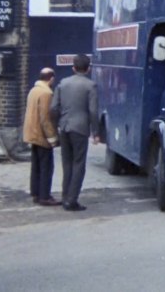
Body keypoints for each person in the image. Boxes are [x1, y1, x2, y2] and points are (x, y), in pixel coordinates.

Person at [50, 54, 100, 211]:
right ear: (89, 68)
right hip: (80, 128)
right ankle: (72, 200)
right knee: (79, 164)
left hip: (64, 127)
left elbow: (53, 108)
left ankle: (65, 196)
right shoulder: (90, 86)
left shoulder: (63, 83)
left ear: (73, 68)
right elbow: (93, 111)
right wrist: (96, 132)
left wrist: (56, 124)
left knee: (67, 163)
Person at [22, 68, 61, 206]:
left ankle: (36, 192)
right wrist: (53, 138)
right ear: (51, 78)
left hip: (32, 133)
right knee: (46, 167)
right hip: (41, 135)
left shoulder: (34, 90)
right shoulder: (46, 93)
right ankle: (45, 196)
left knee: (36, 165)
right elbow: (45, 118)